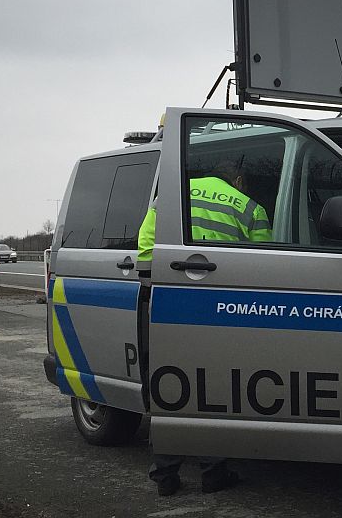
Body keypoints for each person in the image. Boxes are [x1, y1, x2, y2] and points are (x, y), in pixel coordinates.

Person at [138, 158, 271, 495]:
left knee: (170, 387)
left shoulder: (168, 198)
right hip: (221, 308)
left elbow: (145, 252)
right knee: (213, 388)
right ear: (237, 180)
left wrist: (163, 286)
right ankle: (213, 473)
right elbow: (265, 267)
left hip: (169, 302)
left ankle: (165, 476)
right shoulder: (250, 208)